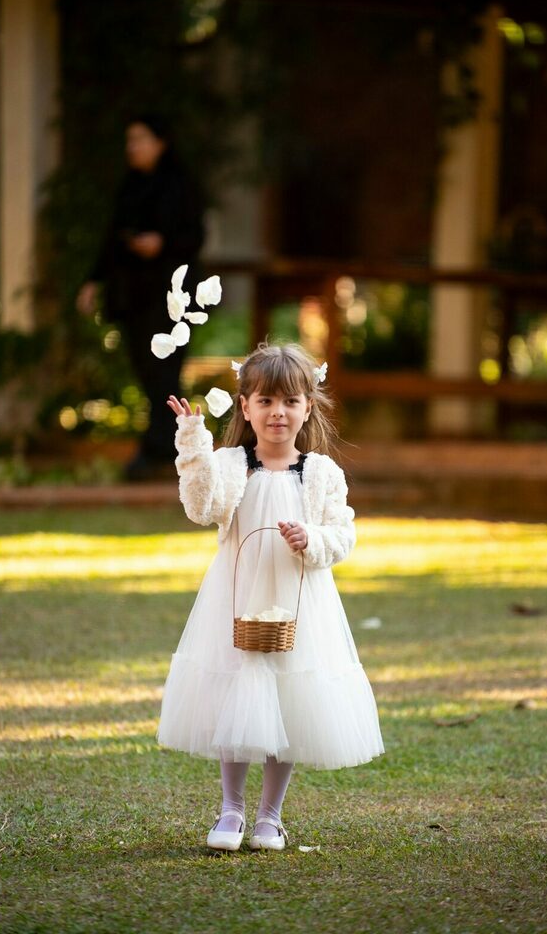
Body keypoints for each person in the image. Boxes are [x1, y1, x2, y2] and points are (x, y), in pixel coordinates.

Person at [157, 343, 384, 851]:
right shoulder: (231, 465)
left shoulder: (321, 473)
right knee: (238, 694)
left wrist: (313, 538)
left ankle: (270, 815)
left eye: (289, 401)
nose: (277, 412)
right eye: (265, 401)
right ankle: (231, 809)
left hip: (298, 602)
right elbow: (202, 507)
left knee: (288, 697)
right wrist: (192, 441)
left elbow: (342, 534)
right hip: (238, 598)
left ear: (308, 407)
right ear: (245, 407)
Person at [77, 114, 205, 478]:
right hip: (132, 292)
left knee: (164, 369)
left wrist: (161, 243)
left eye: (140, 139)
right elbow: (112, 237)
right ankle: (165, 446)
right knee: (145, 368)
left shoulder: (179, 185)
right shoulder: (130, 186)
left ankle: (161, 449)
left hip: (170, 293)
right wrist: (93, 280)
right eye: (129, 140)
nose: (132, 147)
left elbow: (194, 236)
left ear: (160, 143)